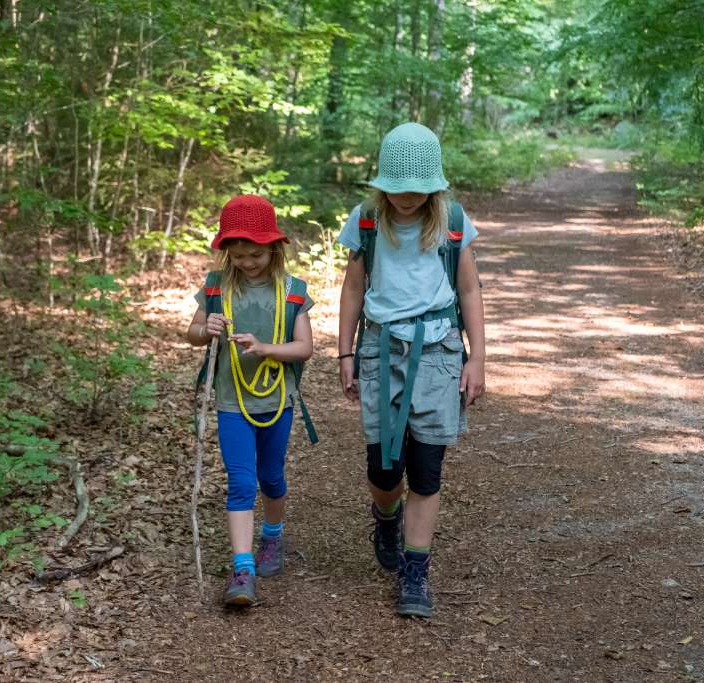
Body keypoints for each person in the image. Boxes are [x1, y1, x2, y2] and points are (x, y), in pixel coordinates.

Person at [337, 122, 486, 617]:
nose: (406, 198)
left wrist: (478, 358)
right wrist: (344, 354)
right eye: (396, 189)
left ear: (434, 186)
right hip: (381, 349)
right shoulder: (366, 220)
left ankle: (416, 571)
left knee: (426, 469)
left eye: (417, 190)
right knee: (383, 468)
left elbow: (469, 291)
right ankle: (386, 516)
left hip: (439, 349)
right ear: (382, 184)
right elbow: (354, 289)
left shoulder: (453, 221)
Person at [186, 195, 315, 607]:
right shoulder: (215, 287)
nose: (247, 262)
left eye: (255, 254)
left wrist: (265, 348)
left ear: (274, 247)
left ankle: (272, 536)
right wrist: (205, 329)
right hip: (230, 401)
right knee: (241, 481)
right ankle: (243, 569)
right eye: (238, 256)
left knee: (271, 477)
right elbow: (190, 335)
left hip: (278, 399)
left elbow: (305, 348)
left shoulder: (292, 291)